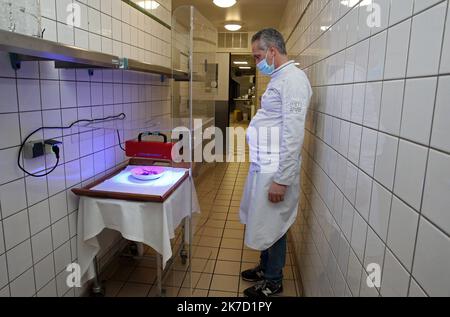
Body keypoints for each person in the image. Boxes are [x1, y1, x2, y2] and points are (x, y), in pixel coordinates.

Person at [240, 28, 312, 298]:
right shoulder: (279, 78)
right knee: (263, 219)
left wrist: (282, 179)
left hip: (276, 170)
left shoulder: (293, 80)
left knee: (274, 225)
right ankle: (264, 267)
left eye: (258, 56)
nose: (257, 62)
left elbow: (293, 134)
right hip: (264, 165)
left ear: (272, 50)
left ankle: (273, 281)